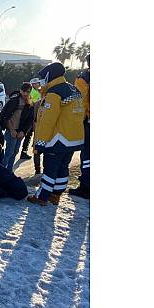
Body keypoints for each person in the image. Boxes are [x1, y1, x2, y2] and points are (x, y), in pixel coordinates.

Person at [27, 62, 85, 206]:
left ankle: (42, 197)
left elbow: (47, 121)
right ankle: (56, 195)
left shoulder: (54, 93)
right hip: (72, 140)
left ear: (49, 75)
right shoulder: (73, 90)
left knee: (50, 168)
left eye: (42, 77)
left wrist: (40, 143)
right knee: (63, 168)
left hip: (57, 140)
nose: (40, 81)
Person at [0, 82, 35, 171]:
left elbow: (30, 120)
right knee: (9, 152)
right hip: (11, 130)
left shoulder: (30, 103)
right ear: (20, 90)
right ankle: (1, 171)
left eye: (28, 91)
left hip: (20, 132)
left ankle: (9, 171)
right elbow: (4, 117)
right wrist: (11, 130)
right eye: (24, 91)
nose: (25, 93)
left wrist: (23, 131)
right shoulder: (13, 101)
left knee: (15, 152)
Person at [69, 54, 90, 199]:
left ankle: (86, 187)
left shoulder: (84, 78)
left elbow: (80, 100)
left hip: (89, 121)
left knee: (88, 156)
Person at [19, 78, 42, 160]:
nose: (38, 84)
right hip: (32, 115)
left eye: (38, 83)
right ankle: (23, 152)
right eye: (36, 83)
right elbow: (35, 104)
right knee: (28, 135)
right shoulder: (34, 93)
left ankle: (23, 151)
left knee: (27, 135)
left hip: (30, 114)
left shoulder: (34, 91)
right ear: (33, 84)